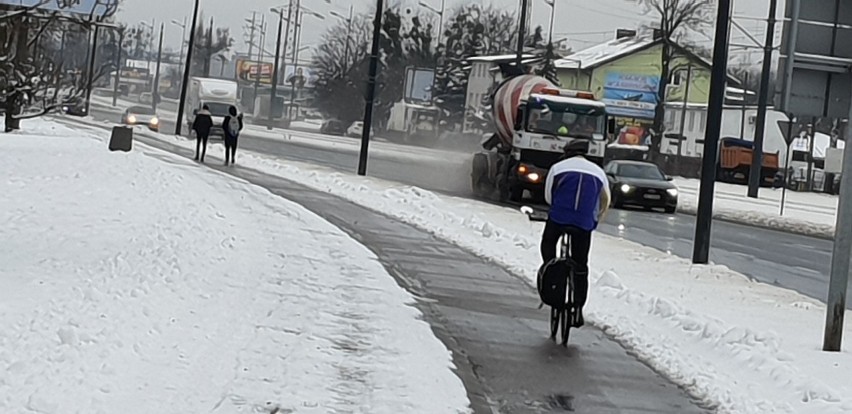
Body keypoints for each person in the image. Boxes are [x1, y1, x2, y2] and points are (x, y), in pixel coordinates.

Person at [541, 139, 611, 327]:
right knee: (581, 264)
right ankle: (578, 308)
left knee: (548, 243)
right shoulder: (598, 172)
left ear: (567, 152)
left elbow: (548, 196)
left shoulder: (557, 167)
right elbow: (606, 199)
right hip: (584, 222)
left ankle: (550, 270)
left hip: (559, 218)